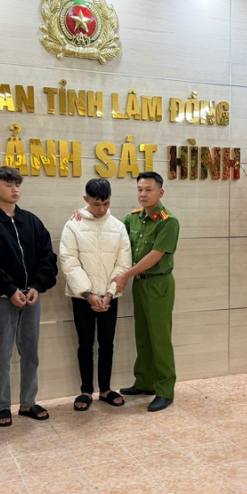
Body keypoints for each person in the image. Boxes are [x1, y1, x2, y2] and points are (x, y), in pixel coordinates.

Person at [0, 166, 58, 427]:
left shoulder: (31, 221)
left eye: (17, 184)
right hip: (1, 299)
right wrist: (10, 290)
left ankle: (28, 402)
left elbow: (47, 258)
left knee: (30, 352)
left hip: (30, 298)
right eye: (8, 184)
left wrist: (37, 287)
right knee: (2, 353)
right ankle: (2, 406)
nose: (15, 188)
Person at [59, 178, 132, 411]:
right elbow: (69, 261)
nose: (101, 209)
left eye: (106, 204)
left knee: (107, 344)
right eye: (96, 204)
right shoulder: (73, 225)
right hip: (83, 297)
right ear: (86, 200)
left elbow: (123, 263)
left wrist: (109, 293)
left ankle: (107, 389)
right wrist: (88, 293)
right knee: (85, 344)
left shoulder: (119, 227)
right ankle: (86, 391)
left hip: (110, 297)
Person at [114, 172, 180, 412]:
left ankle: (165, 390)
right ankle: (144, 382)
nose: (143, 194)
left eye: (148, 190)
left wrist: (125, 275)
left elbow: (155, 256)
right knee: (143, 334)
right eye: (140, 189)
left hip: (159, 284)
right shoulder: (133, 218)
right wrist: (83, 213)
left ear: (160, 192)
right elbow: (111, 228)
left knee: (160, 338)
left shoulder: (167, 221)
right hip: (140, 283)